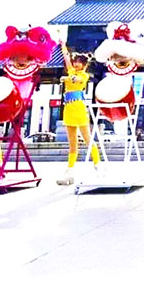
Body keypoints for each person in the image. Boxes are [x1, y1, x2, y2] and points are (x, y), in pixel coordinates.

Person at [56, 40, 99, 185]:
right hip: (68, 109)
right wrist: (63, 45)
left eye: (79, 62)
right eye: (75, 62)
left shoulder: (84, 76)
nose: (76, 64)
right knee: (72, 144)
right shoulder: (71, 71)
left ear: (84, 65)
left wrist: (68, 78)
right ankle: (70, 171)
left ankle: (98, 165)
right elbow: (66, 57)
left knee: (88, 139)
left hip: (79, 109)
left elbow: (78, 79)